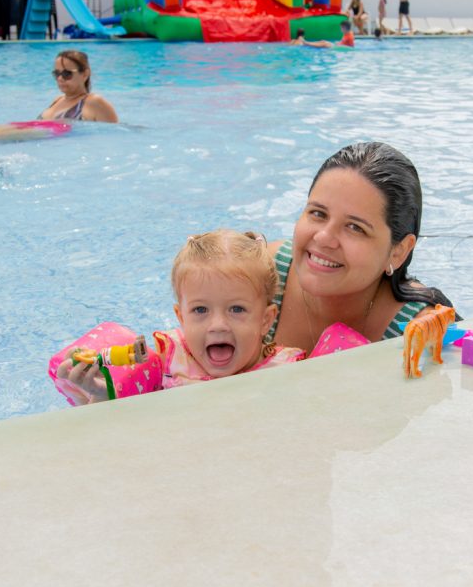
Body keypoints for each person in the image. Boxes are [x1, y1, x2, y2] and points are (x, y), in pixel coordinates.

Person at [55, 230, 306, 405]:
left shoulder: (289, 371)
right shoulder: (166, 362)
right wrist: (100, 396)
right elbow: (125, 429)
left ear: (266, 320)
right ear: (181, 317)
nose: (217, 325)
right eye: (200, 310)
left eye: (237, 309)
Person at [267, 142, 453, 352]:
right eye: (318, 213)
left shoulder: (420, 330)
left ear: (398, 251)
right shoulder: (258, 278)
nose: (324, 237)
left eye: (355, 227)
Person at [38, 50, 118, 123]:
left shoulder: (95, 102)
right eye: (57, 73)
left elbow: (114, 134)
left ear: (85, 74)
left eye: (67, 74)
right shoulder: (57, 100)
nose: (60, 78)